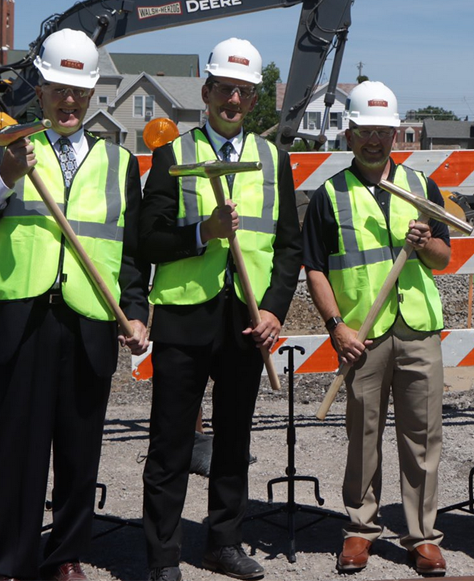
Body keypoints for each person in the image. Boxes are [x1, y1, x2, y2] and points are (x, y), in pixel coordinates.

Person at [0, 28, 149, 581]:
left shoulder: (117, 163)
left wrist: (136, 312)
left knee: (79, 449)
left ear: (92, 96)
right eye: (59, 88)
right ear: (39, 88)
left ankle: (65, 556)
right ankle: (14, 560)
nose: (69, 101)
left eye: (79, 92)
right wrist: (6, 180)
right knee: (16, 449)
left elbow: (130, 254)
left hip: (88, 319)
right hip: (19, 319)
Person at [140, 38, 302, 581]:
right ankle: (163, 555)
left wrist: (276, 309)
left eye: (244, 91)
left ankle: (222, 543)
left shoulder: (274, 159)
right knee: (170, 440)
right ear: (206, 92)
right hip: (186, 315)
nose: (233, 99)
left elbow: (288, 246)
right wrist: (202, 233)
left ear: (253, 99)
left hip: (247, 320)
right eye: (224, 89)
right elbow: (148, 241)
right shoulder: (173, 156)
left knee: (235, 437)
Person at [302, 81, 450, 577]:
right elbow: (315, 268)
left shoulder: (422, 187)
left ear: (395, 135)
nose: (374, 141)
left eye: (383, 132)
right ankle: (360, 529)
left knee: (422, 436)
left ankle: (422, 537)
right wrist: (335, 326)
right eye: (366, 131)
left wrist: (427, 241)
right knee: (363, 434)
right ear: (350, 135)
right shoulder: (329, 196)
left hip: (417, 328)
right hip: (361, 334)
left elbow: (444, 258)